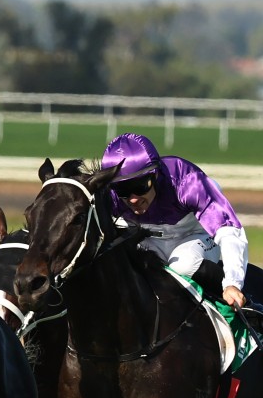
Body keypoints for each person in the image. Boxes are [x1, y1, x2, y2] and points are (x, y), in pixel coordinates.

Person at [100, 132, 248, 310]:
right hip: (148, 240)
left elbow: (229, 229)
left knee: (182, 265)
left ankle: (248, 308)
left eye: (140, 187)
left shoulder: (187, 183)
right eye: (122, 189)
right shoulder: (109, 194)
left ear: (155, 175)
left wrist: (233, 283)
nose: (133, 199)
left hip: (196, 236)